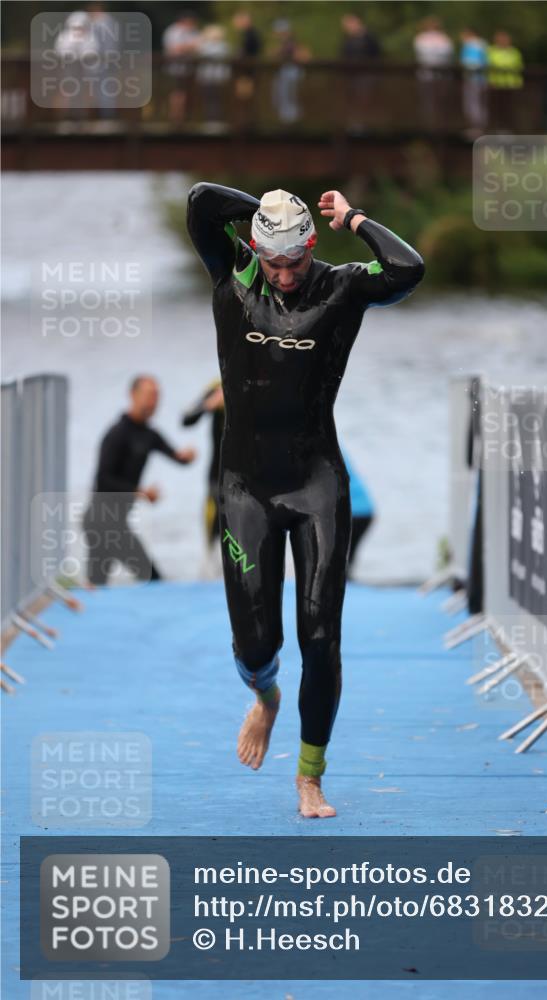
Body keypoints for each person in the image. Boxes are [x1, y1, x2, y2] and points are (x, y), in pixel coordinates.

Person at [187, 183, 424, 818]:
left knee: (320, 638)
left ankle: (310, 778)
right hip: (245, 489)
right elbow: (201, 201)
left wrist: (356, 219)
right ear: (258, 251)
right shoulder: (235, 274)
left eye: (295, 260)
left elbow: (408, 270)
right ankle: (265, 698)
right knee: (256, 647)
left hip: (316, 483)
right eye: (275, 262)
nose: (286, 275)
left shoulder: (341, 287)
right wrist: (266, 215)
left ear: (313, 245)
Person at [83, 376, 196, 585]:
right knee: (151, 578)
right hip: (101, 522)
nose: (153, 402)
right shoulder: (116, 434)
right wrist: (140, 492)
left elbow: (176, 457)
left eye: (156, 397)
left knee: (98, 583)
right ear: (133, 395)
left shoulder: (149, 435)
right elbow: (103, 479)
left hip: (115, 522)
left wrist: (187, 457)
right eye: (149, 395)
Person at [181, 380, 225, 574]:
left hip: (251, 476)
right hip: (218, 475)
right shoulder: (217, 386)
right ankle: (212, 573)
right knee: (214, 530)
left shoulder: (256, 385)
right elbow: (186, 420)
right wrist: (209, 404)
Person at [413, 16, 454, 129]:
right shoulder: (421, 38)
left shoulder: (443, 38)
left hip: (441, 75)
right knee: (427, 100)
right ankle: (428, 123)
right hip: (426, 75)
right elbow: (421, 53)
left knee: (440, 100)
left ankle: (440, 123)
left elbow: (447, 54)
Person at [162, 10, 200, 123]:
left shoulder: (191, 32)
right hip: (176, 68)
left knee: (185, 93)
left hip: (188, 68)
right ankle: (176, 117)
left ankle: (184, 118)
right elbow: (175, 48)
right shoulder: (173, 31)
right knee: (177, 93)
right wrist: (191, 46)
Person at [341, 449, 375, 578]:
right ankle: (347, 580)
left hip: (351, 512)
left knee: (337, 559)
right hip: (365, 510)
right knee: (345, 559)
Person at [487, 31, 524, 130]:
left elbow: (519, 67)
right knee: (496, 108)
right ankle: (495, 128)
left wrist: (518, 82)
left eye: (505, 39)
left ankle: (509, 128)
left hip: (511, 85)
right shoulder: (491, 51)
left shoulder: (515, 52)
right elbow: (488, 66)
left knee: (509, 108)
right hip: (496, 84)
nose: (503, 41)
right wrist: (490, 81)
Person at [196, 24, 231, 123]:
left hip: (208, 77)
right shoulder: (224, 46)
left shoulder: (205, 46)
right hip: (220, 77)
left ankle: (211, 120)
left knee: (209, 100)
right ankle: (217, 119)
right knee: (218, 100)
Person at [459, 28, 488, 133]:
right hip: (481, 79)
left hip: (473, 79)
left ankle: (476, 127)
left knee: (473, 103)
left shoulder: (470, 45)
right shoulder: (483, 44)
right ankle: (479, 126)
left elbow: (468, 62)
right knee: (480, 103)